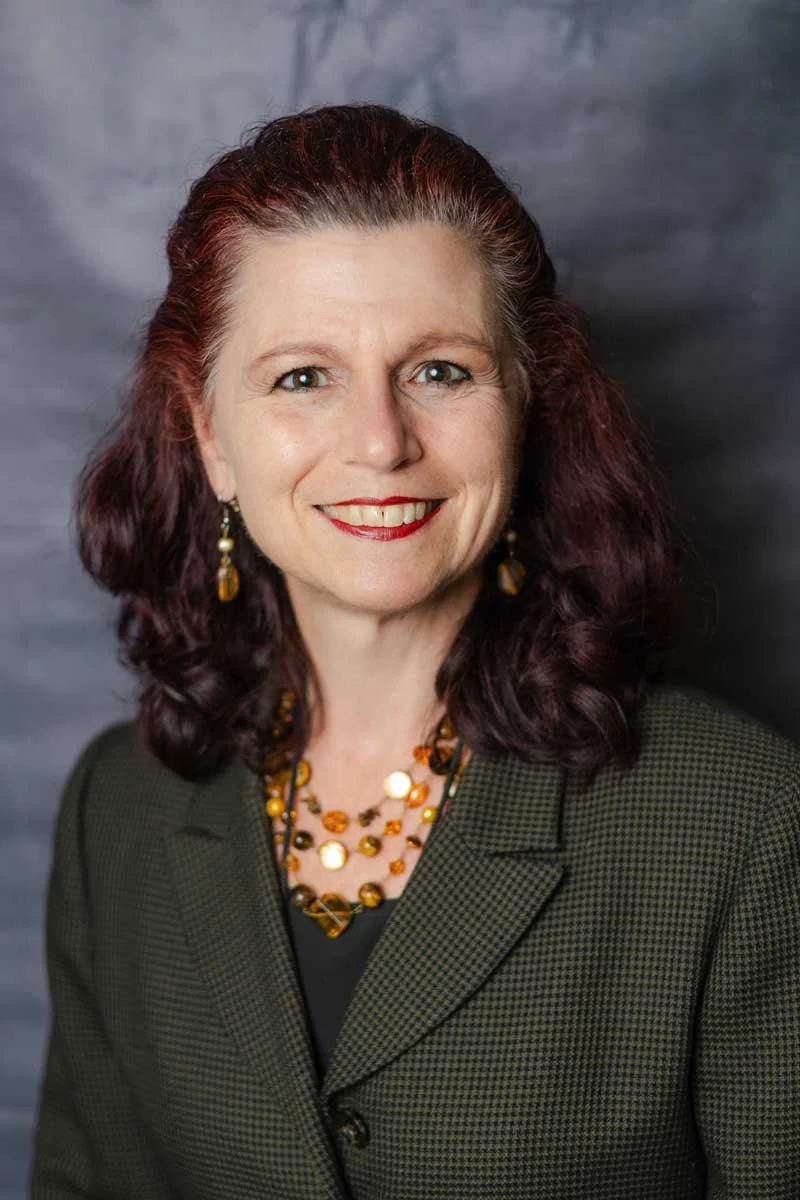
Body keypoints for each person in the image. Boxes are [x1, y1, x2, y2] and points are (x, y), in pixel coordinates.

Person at [30, 103, 799, 1200]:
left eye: (439, 370)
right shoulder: (121, 808)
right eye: (302, 377)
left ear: (523, 406)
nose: (382, 442)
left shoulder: (742, 822)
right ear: (209, 437)